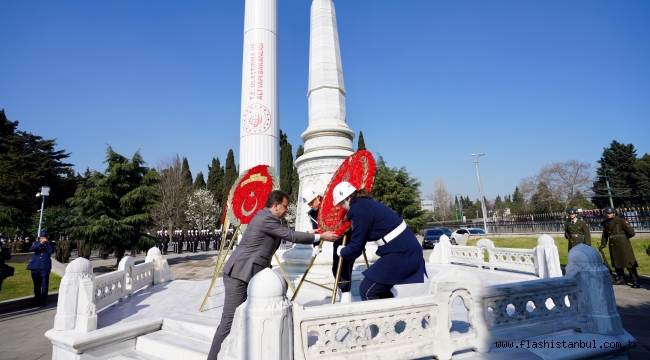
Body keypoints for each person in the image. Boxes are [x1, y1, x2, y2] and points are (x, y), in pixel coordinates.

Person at [207, 190, 340, 359]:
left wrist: (310, 234)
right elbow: (290, 235)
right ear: (276, 205)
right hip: (239, 273)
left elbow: (286, 235)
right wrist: (322, 236)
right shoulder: (267, 218)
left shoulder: (268, 218)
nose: (287, 210)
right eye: (285, 206)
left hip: (248, 273)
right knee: (228, 322)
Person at [333, 182, 426, 301]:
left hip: (402, 252)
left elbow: (356, 248)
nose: (341, 207)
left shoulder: (359, 209)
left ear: (348, 198)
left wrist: (342, 251)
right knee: (379, 290)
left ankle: (375, 320)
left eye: (341, 203)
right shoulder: (364, 205)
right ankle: (392, 318)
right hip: (402, 250)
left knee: (367, 290)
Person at [303, 186, 355, 303]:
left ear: (317, 197)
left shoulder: (330, 201)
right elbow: (316, 229)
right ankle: (344, 291)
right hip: (335, 238)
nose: (311, 206)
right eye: (309, 204)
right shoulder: (313, 213)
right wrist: (316, 245)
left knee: (344, 264)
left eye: (311, 202)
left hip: (348, 234)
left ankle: (346, 293)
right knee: (335, 266)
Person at [599, 207, 640, 288]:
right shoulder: (605, 223)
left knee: (629, 262)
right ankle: (621, 278)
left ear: (614, 213)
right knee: (616, 262)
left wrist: (623, 238)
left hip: (623, 244)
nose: (608, 215)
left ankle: (635, 280)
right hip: (613, 244)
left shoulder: (621, 221)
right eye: (607, 213)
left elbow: (631, 232)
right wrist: (603, 244)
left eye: (609, 213)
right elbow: (605, 235)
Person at [27, 231, 54, 306]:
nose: (43, 239)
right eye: (41, 238)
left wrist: (46, 243)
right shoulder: (36, 243)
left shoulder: (51, 244)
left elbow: (51, 251)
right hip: (35, 266)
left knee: (44, 284)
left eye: (44, 238)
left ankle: (43, 300)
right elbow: (31, 249)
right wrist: (40, 243)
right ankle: (36, 300)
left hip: (45, 266)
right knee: (36, 284)